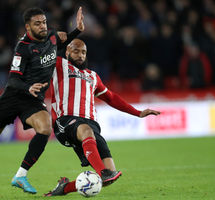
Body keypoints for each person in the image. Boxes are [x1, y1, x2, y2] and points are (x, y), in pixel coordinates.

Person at [0, 7, 85, 194]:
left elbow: (58, 46)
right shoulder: (22, 48)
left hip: (33, 100)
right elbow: (14, 79)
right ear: (28, 27)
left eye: (44, 22)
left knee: (45, 128)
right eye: (37, 23)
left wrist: (78, 30)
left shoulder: (52, 37)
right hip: (13, 97)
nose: (42, 26)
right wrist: (28, 87)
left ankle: (21, 176)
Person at [44, 39, 160, 196]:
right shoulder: (59, 65)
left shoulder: (93, 76)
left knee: (109, 177)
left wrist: (137, 112)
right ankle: (103, 172)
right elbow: (42, 50)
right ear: (67, 52)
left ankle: (65, 187)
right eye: (76, 51)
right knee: (87, 135)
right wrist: (59, 37)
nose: (80, 55)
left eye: (83, 52)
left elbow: (111, 98)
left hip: (91, 125)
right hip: (65, 121)